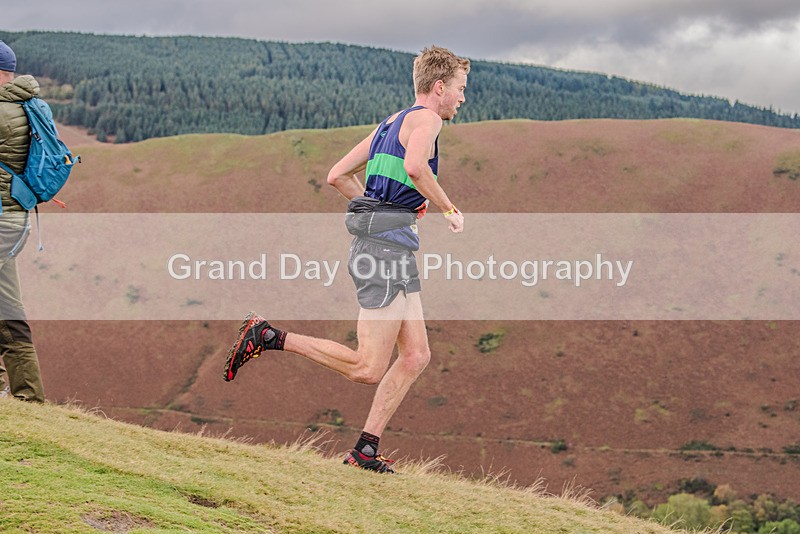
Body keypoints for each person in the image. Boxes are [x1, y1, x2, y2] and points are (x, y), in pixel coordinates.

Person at [224, 45, 468, 473]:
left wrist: (386, 211)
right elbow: (415, 167)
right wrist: (448, 209)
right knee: (367, 367)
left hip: (390, 244)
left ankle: (365, 451)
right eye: (461, 89)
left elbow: (337, 175)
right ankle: (266, 335)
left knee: (416, 356)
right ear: (439, 87)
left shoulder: (390, 123)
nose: (463, 99)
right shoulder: (427, 119)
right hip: (385, 251)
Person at [0, 40, 45, 403]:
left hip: (2, 220)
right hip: (14, 219)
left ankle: (29, 396)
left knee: (8, 308)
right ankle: (27, 395)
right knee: (6, 304)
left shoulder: (2, 112)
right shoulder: (23, 105)